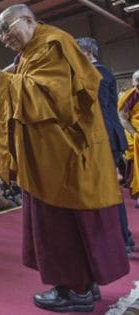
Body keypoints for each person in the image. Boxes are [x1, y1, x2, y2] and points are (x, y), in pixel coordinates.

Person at [0, 4, 129, 313]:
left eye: (7, 28)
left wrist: (1, 79)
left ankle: (74, 292)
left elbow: (55, 98)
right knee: (69, 224)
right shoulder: (28, 54)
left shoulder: (53, 43)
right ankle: (84, 285)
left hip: (62, 157)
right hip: (49, 157)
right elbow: (11, 87)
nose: (3, 37)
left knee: (62, 226)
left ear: (29, 20)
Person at [77, 37, 135, 255]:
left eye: (77, 52)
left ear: (89, 52)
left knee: (109, 192)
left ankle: (123, 239)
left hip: (104, 141)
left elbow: (97, 111)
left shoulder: (98, 72)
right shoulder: (99, 72)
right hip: (103, 140)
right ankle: (118, 238)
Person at [118, 71, 139, 203]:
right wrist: (135, 134)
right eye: (137, 81)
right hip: (134, 132)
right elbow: (123, 119)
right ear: (133, 82)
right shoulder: (127, 97)